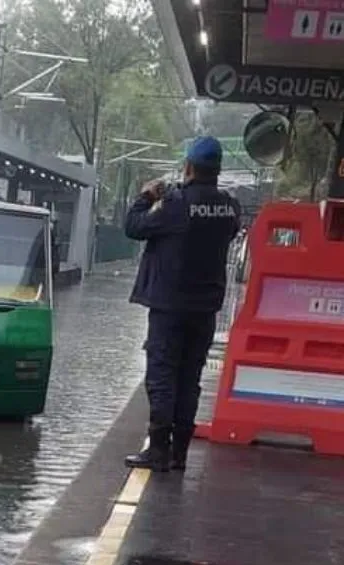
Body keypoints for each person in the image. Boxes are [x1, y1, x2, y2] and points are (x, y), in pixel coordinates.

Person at [123, 136, 241, 472]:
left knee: (161, 375)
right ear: (217, 169)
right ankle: (180, 453)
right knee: (190, 378)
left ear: (188, 167)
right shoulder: (228, 207)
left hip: (169, 305)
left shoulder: (175, 205)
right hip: (205, 309)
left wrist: (147, 195)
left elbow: (134, 227)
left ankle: (158, 449)